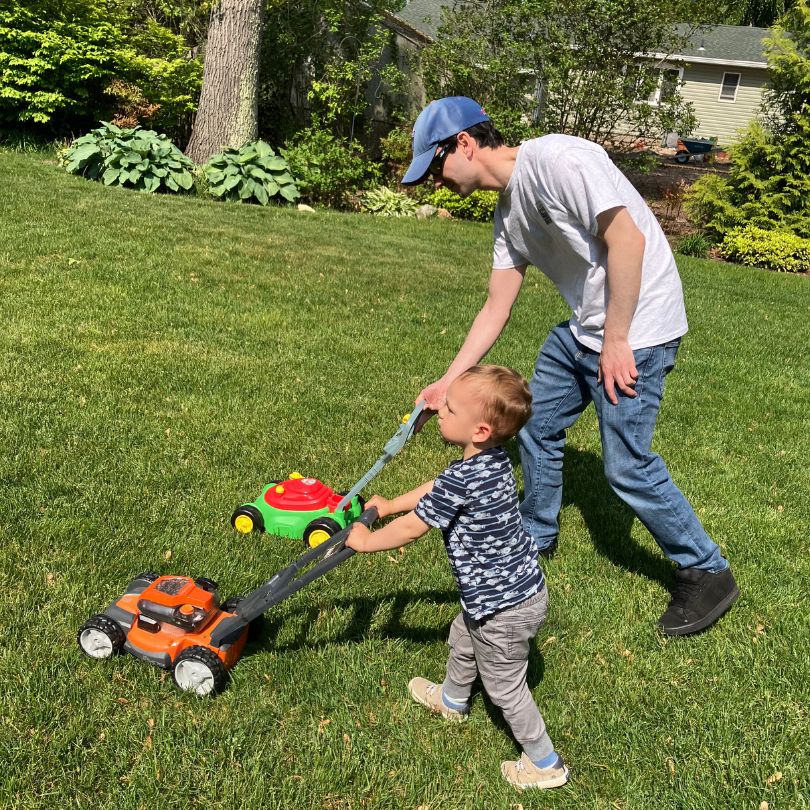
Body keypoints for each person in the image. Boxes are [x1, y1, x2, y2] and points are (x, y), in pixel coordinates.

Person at [400, 96, 739, 637]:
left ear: (463, 143)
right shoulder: (508, 213)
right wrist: (447, 381)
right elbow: (496, 306)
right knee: (534, 423)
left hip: (639, 326)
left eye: (434, 167)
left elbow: (627, 238)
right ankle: (536, 532)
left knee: (626, 465)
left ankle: (706, 569)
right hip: (587, 327)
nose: (435, 182)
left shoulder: (559, 160)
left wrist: (617, 338)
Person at [347, 365, 569, 791]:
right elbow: (438, 487)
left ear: (480, 430)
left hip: (505, 607)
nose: (441, 412)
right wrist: (389, 504)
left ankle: (545, 763)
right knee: (464, 636)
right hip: (508, 593)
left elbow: (413, 528)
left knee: (505, 688)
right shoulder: (492, 462)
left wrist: (367, 541)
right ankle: (452, 700)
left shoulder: (467, 477)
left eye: (449, 408)